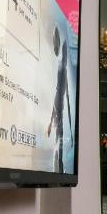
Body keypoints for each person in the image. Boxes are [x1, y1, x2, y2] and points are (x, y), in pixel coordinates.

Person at [47, 26, 70, 173]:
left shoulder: (62, 68)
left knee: (58, 141)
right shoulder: (60, 67)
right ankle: (57, 169)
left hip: (59, 110)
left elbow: (64, 96)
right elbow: (59, 95)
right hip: (58, 110)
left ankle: (58, 169)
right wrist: (50, 122)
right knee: (58, 141)